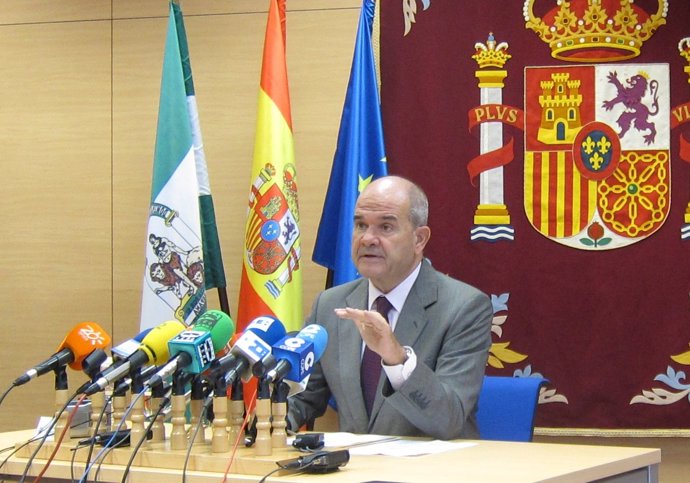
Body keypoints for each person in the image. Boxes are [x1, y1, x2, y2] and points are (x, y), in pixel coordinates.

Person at [287, 175, 493, 440]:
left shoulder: (464, 307)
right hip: (354, 472)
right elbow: (304, 399)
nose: (367, 239)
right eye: (361, 225)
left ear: (419, 239)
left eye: (385, 227)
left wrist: (397, 360)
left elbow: (449, 419)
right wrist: (263, 423)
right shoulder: (330, 305)